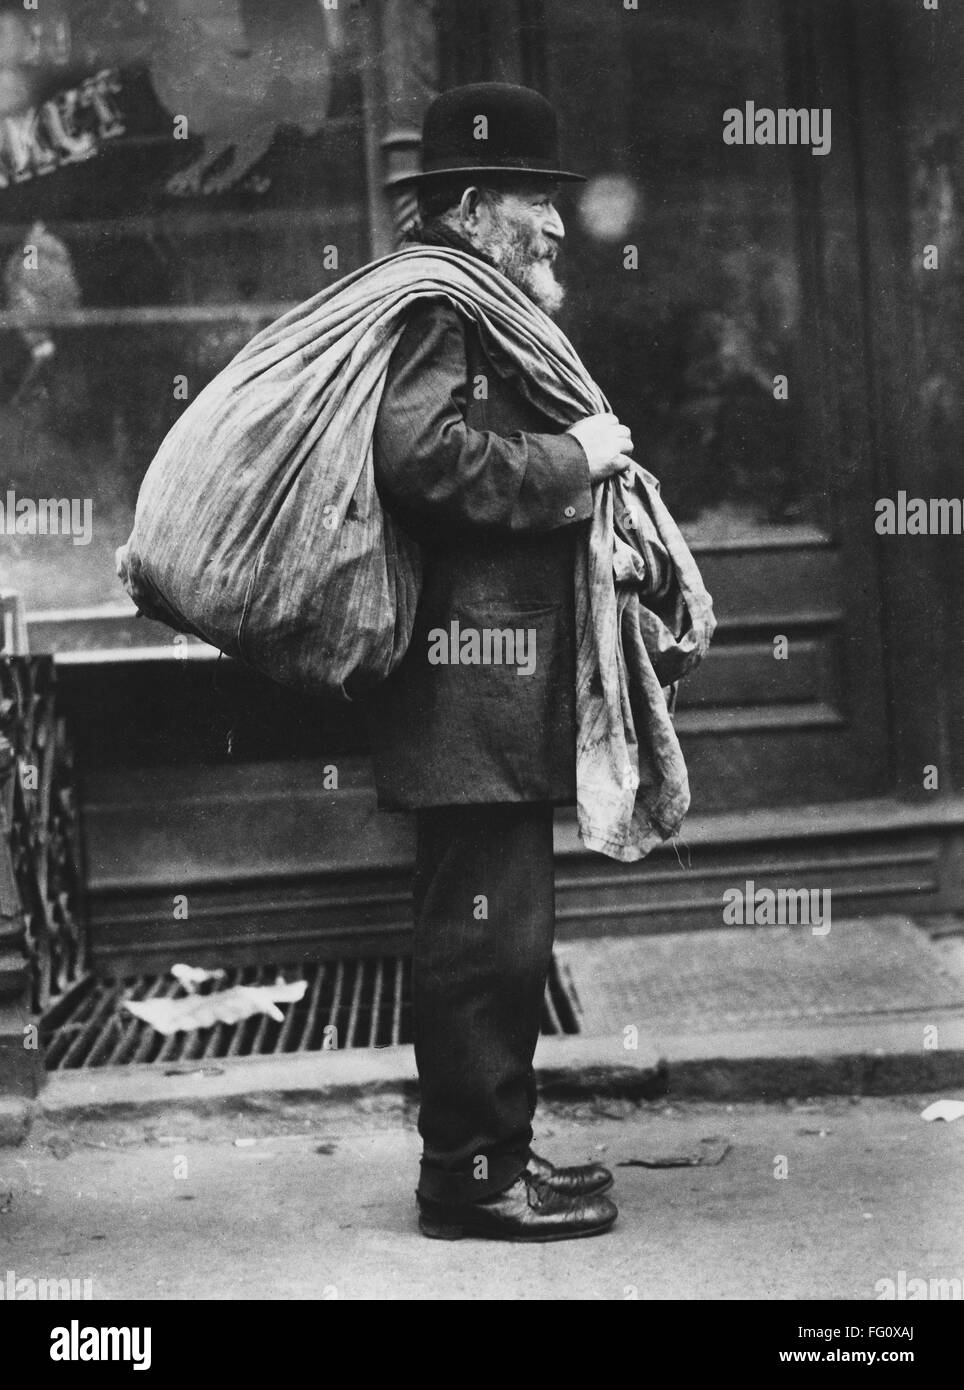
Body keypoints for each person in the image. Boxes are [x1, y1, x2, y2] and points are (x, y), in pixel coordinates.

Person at [367, 83, 635, 1241]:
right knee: (486, 939)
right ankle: (471, 1179)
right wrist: (570, 459)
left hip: (492, 685)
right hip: (466, 685)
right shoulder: (443, 307)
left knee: (504, 935)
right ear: (475, 206)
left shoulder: (474, 301)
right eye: (537, 199)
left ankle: (495, 1153)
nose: (558, 226)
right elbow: (419, 458)